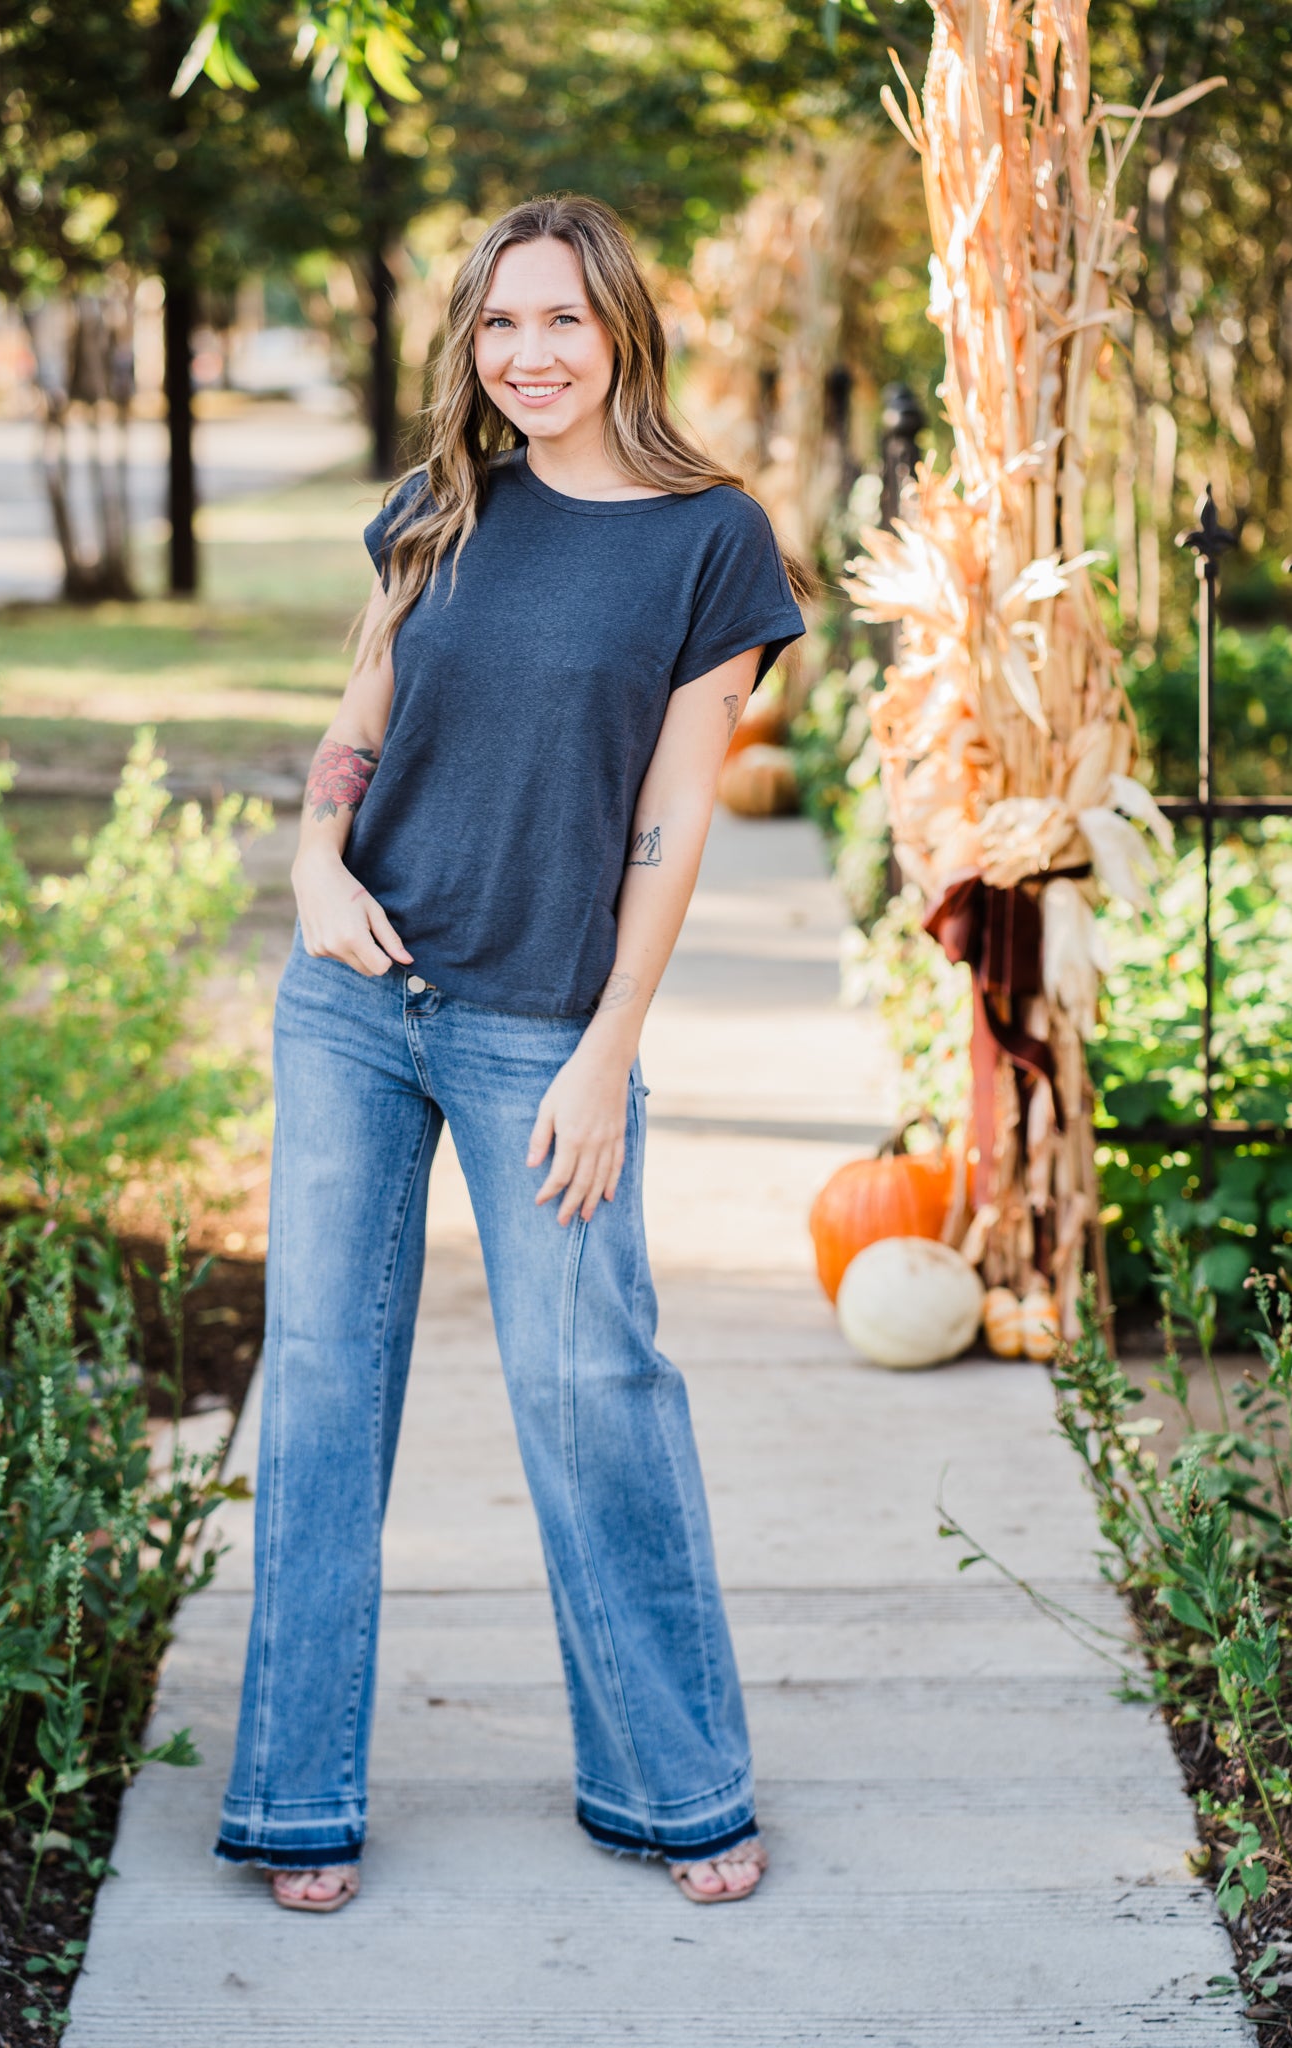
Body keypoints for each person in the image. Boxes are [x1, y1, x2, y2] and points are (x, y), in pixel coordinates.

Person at [213, 192, 808, 1913]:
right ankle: (293, 1796)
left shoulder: (710, 541)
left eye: (558, 320)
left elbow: (674, 820)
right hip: (352, 997)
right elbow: (357, 730)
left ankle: (670, 1784)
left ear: (618, 325)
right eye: (497, 326)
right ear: (467, 344)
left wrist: (607, 1051)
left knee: (594, 1387)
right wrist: (316, 866)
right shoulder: (439, 506)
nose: (527, 355)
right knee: (321, 1387)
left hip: (538, 1021)